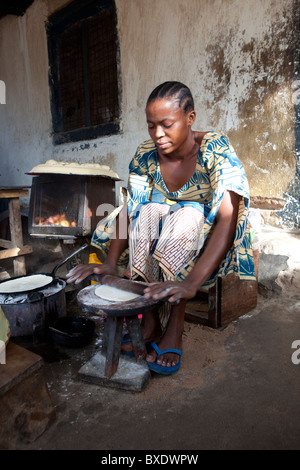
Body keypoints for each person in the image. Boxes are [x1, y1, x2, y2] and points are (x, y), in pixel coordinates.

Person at [66, 81, 256, 375]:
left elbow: (227, 219)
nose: (158, 134)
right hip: (157, 229)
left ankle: (175, 323)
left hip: (202, 233)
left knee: (187, 214)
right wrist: (110, 263)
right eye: (151, 126)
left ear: (190, 119)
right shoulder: (146, 154)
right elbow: (132, 211)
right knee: (147, 210)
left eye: (166, 125)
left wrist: (191, 283)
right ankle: (150, 319)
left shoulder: (215, 150)